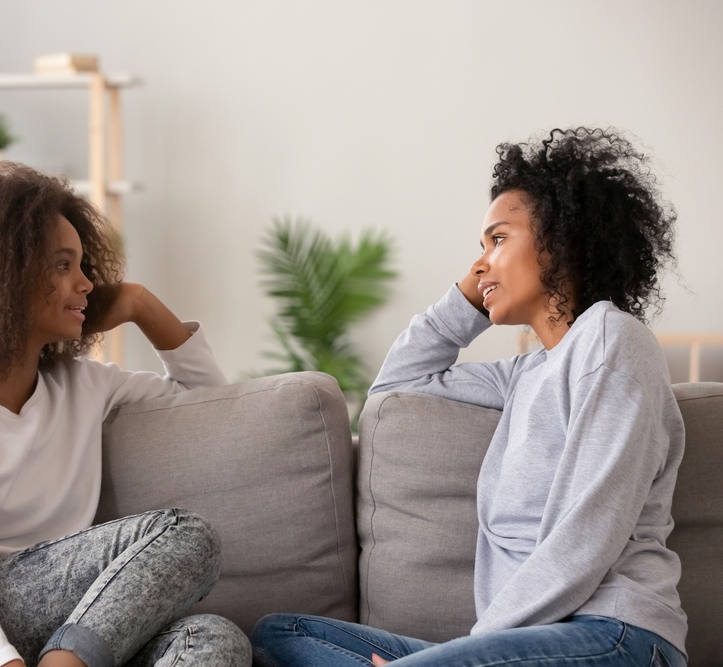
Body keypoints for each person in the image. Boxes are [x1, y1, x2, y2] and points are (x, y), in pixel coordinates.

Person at [251, 127, 687, 666]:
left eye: (498, 239)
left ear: (561, 241)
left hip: (615, 635)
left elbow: (587, 536)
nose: (481, 265)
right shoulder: (524, 375)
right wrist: (467, 300)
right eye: (480, 248)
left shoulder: (612, 339)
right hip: (516, 644)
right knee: (281, 635)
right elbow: (396, 388)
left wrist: (470, 653)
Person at [0, 162, 251, 667]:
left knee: (212, 638)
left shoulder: (85, 384)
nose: (87, 284)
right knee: (186, 535)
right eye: (63, 266)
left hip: (41, 624)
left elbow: (214, 405)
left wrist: (140, 305)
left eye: (84, 266)